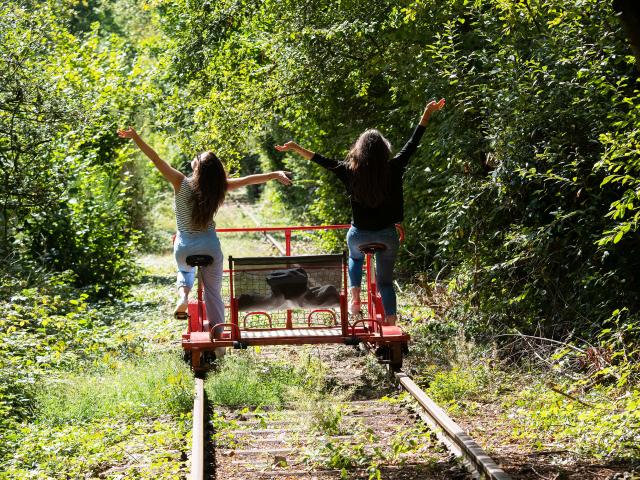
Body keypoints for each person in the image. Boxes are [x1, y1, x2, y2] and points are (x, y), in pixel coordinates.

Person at [274, 99, 445, 325]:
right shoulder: (394, 167)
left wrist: (295, 147)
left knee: (355, 257)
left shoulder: (348, 171)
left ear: (359, 150)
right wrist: (427, 112)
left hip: (360, 235)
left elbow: (320, 160)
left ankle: (355, 296)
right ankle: (391, 320)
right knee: (385, 282)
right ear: (384, 149)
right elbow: (413, 142)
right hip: (387, 235)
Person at [117, 127, 292, 330]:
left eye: (197, 158)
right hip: (209, 246)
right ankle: (217, 330)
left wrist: (136, 137)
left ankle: (183, 296)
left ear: (198, 167)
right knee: (213, 292)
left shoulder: (180, 182)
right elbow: (248, 180)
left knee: (184, 271)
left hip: (185, 247)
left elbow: (156, 160)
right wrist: (275, 174)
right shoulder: (218, 187)